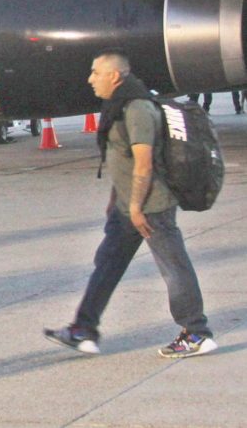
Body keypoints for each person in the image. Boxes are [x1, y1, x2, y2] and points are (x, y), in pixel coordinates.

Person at [45, 48, 218, 358]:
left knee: (174, 268)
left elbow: (143, 162)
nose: (90, 79)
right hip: (128, 207)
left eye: (95, 72)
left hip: (151, 208)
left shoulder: (136, 107)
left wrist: (136, 207)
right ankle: (83, 329)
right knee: (107, 263)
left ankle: (197, 333)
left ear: (114, 76)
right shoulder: (119, 104)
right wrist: (117, 200)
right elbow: (120, 159)